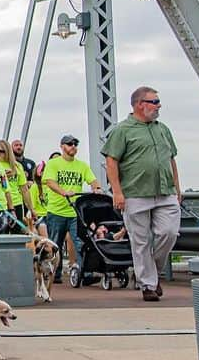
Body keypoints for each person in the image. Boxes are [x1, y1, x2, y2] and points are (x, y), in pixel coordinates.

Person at [102, 86, 183, 302]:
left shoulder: (162, 129)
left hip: (165, 191)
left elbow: (171, 160)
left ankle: (152, 273)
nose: (158, 106)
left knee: (169, 232)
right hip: (135, 194)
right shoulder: (123, 130)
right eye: (154, 102)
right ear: (140, 104)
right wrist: (117, 192)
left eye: (158, 101)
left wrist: (178, 188)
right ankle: (148, 284)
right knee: (140, 241)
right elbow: (111, 161)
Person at [43, 134, 102, 283]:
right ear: (62, 146)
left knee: (81, 242)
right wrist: (63, 192)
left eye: (75, 144)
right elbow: (49, 181)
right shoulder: (54, 164)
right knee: (55, 244)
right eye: (70, 144)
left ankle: (85, 273)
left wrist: (97, 188)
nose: (73, 147)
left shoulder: (82, 165)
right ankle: (54, 274)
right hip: (56, 211)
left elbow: (92, 179)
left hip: (75, 212)